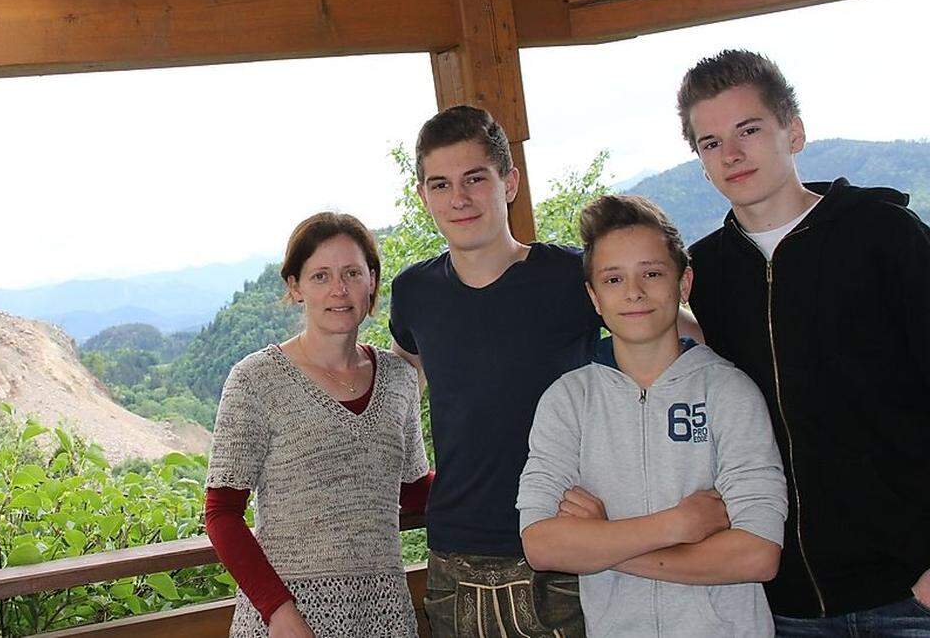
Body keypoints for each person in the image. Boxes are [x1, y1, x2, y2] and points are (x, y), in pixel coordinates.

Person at [678, 48, 930, 634]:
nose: (732, 154)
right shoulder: (707, 272)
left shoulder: (884, 237)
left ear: (794, 131)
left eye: (749, 129)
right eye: (711, 143)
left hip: (907, 594)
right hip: (783, 604)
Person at [516, 194, 788, 637]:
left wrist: (603, 541)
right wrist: (676, 525)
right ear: (594, 296)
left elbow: (757, 554)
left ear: (683, 284)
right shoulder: (567, 401)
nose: (634, 292)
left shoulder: (729, 391)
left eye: (652, 273)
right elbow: (541, 544)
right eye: (613, 278)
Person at [388, 105, 604, 636]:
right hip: (454, 553)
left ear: (508, 183)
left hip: (565, 544)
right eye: (440, 184)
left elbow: (671, 338)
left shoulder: (571, 277)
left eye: (474, 179)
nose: (457, 199)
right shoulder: (414, 292)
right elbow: (403, 379)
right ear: (423, 196)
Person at [205, 211, 432, 638]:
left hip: (384, 613)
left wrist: (505, 486)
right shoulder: (257, 379)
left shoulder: (398, 378)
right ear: (295, 287)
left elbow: (412, 488)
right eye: (321, 276)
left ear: (372, 281)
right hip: (289, 621)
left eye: (351, 273)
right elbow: (221, 513)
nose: (339, 290)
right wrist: (279, 612)